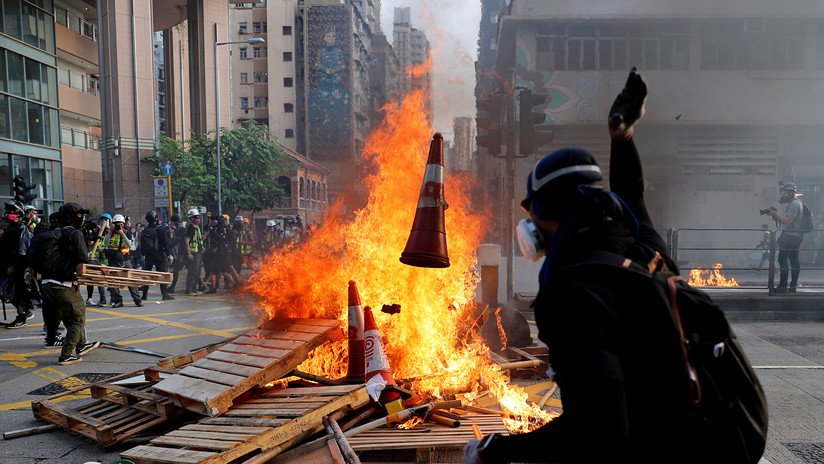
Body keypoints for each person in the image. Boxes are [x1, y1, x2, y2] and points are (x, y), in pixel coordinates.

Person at [464, 69, 698, 463]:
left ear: (546, 214)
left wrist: (496, 450)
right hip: (712, 435)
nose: (529, 228)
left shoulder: (569, 295)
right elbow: (631, 196)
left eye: (533, 214)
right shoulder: (644, 249)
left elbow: (598, 431)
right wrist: (621, 138)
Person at [40, 202, 100, 365]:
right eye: (79, 215)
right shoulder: (74, 233)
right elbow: (82, 257)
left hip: (46, 283)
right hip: (63, 283)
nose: (82, 218)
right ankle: (66, 354)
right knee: (77, 318)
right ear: (71, 216)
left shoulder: (53, 231)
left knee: (68, 316)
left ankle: (81, 345)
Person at [1, 201, 34, 328]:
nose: (9, 214)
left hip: (17, 267)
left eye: (12, 212)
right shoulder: (8, 228)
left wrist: (13, 266)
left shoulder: (22, 229)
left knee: (16, 293)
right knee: (5, 293)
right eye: (8, 212)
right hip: (5, 265)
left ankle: (23, 315)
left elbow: (22, 251)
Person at [767, 182, 804, 293]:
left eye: (783, 193)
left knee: (782, 259)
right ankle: (792, 286)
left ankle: (783, 286)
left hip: (790, 237)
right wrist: (776, 216)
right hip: (795, 236)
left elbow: (788, 221)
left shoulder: (794, 204)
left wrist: (775, 214)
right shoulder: (795, 203)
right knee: (794, 261)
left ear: (790, 192)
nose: (782, 195)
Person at [103, 214, 143, 307]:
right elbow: (105, 242)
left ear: (124, 224)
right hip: (113, 260)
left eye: (120, 224)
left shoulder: (127, 232)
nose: (118, 226)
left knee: (130, 280)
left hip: (125, 260)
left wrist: (122, 233)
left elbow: (129, 244)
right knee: (113, 281)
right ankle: (118, 300)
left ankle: (137, 300)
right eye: (116, 224)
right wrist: (110, 231)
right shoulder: (111, 233)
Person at [140, 211, 174, 301]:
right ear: (156, 219)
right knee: (162, 274)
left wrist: (143, 254)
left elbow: (142, 245)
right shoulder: (161, 230)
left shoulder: (145, 231)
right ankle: (165, 294)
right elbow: (165, 244)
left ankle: (144, 294)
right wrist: (169, 255)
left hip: (148, 256)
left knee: (147, 274)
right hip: (159, 255)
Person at [184, 208, 204, 296]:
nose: (198, 218)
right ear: (191, 218)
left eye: (198, 217)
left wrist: (202, 247)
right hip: (193, 253)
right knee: (193, 272)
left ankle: (194, 289)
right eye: (196, 217)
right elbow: (187, 240)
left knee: (198, 271)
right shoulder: (191, 228)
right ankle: (189, 290)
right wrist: (189, 253)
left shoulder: (197, 228)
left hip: (198, 252)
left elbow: (199, 239)